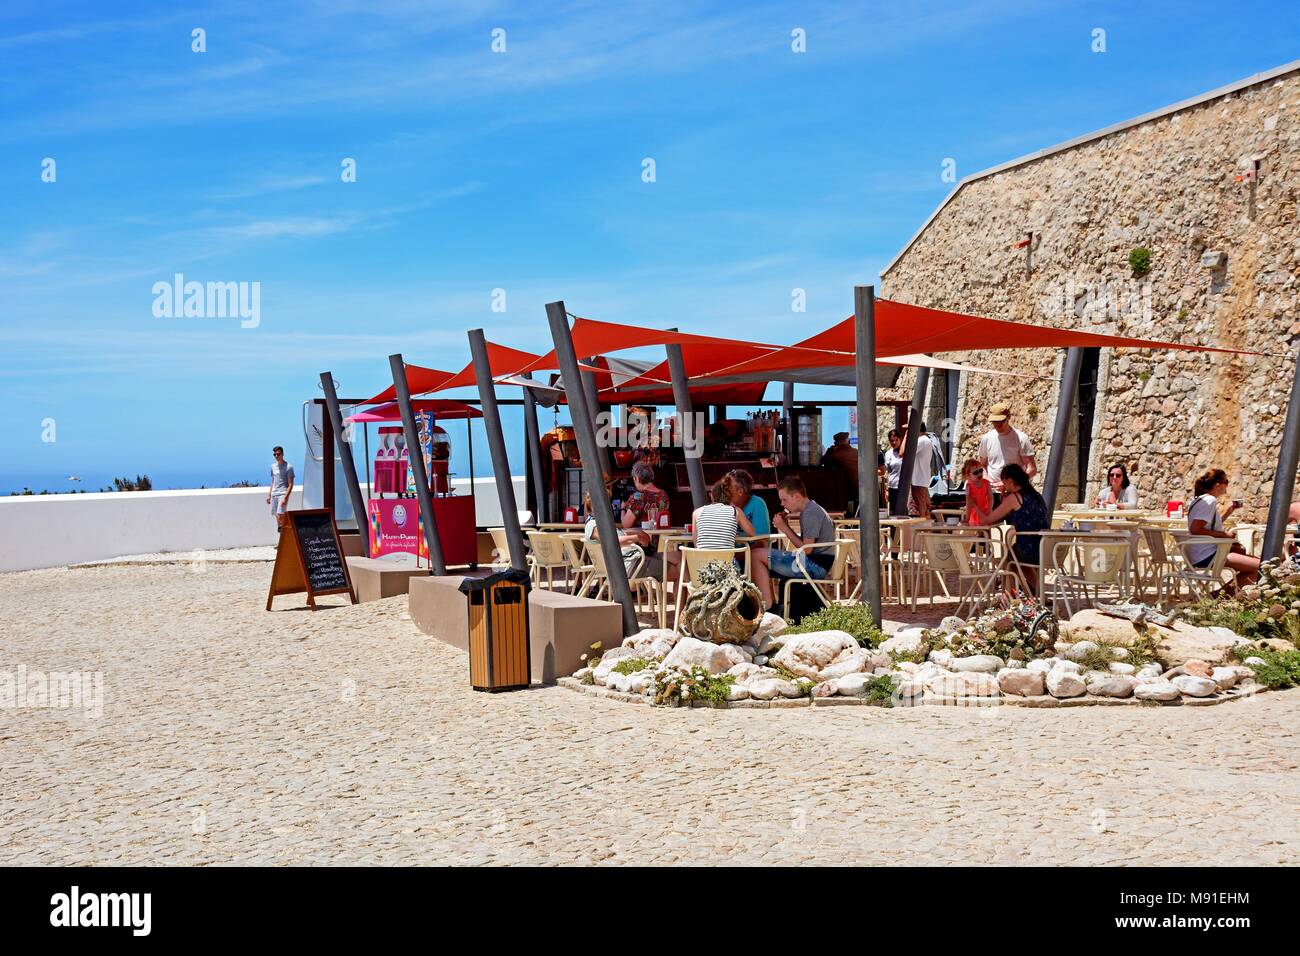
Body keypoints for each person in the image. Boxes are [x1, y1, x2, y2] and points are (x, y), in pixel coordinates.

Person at [976, 463, 1049, 593]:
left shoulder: (1014, 498)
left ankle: (1009, 594)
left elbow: (988, 520)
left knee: (1004, 557)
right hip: (1045, 547)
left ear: (1010, 480)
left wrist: (973, 504)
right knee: (1015, 559)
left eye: (1004, 482)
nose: (1003, 485)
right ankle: (1038, 594)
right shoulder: (1037, 496)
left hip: (1029, 549)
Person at [1187, 468, 1259, 590]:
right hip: (1209, 555)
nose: (1227, 484)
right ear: (1218, 484)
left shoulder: (1198, 500)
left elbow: (1207, 525)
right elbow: (1195, 529)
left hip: (1198, 554)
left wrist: (1227, 512)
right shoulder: (1209, 500)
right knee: (1262, 567)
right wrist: (1224, 535)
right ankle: (1221, 596)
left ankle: (1219, 595)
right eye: (1226, 481)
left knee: (1255, 566)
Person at [769, 476, 836, 600]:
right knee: (761, 559)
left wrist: (784, 528)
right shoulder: (810, 510)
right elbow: (807, 545)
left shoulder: (810, 513)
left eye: (784, 499)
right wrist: (787, 526)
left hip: (816, 566)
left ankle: (769, 607)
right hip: (816, 562)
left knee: (757, 556)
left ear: (797, 496)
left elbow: (807, 550)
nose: (782, 504)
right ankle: (776, 607)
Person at [619, 461, 678, 582]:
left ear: (637, 478)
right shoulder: (663, 495)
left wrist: (623, 508)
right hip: (661, 543)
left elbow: (626, 524)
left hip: (642, 546)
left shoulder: (637, 497)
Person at [727, 468, 773, 610]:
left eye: (728, 487)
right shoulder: (725, 507)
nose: (725, 490)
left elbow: (761, 540)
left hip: (750, 554)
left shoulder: (757, 504)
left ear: (740, 491)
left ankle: (765, 606)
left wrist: (739, 554)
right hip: (732, 555)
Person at [977, 402, 1037, 493]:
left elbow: (1032, 469)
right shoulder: (986, 438)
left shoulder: (1021, 438)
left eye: (1001, 421)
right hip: (992, 491)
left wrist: (1013, 483)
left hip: (1015, 491)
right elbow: (982, 465)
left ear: (1009, 417)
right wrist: (986, 480)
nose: (998, 425)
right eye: (994, 422)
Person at [821, 431, 859, 515]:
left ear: (836, 443)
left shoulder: (835, 454)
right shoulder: (856, 452)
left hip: (846, 491)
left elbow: (823, 461)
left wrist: (830, 450)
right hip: (859, 489)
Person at [904, 421, 937, 519]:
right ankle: (926, 531)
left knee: (921, 510)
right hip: (921, 480)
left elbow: (905, 452)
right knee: (924, 509)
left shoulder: (922, 440)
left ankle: (924, 531)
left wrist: (907, 436)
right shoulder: (926, 440)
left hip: (919, 480)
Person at [267, 446, 294, 532]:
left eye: (278, 454)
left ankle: (290, 530)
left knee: (280, 513)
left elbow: (290, 484)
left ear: (282, 454)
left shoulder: (289, 467)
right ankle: (281, 539)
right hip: (274, 494)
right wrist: (269, 495)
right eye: (274, 454)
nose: (276, 456)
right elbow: (273, 481)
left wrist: (285, 497)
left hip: (283, 493)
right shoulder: (272, 466)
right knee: (276, 516)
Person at [961, 458, 993, 525]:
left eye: (981, 470)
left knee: (986, 531)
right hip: (974, 513)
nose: (979, 474)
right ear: (968, 475)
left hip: (985, 511)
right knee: (975, 531)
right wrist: (967, 518)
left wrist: (989, 510)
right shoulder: (968, 486)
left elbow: (991, 498)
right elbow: (968, 503)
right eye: (976, 472)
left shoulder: (986, 483)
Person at [883, 429, 904, 513]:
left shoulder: (906, 452)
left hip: (905, 487)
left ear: (900, 439)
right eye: (892, 440)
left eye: (896, 440)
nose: (894, 442)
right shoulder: (888, 454)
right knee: (894, 511)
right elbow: (888, 472)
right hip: (893, 486)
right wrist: (887, 489)